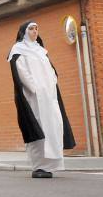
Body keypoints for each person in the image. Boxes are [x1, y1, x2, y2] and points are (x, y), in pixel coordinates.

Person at [8, 21, 75, 179]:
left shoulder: (41, 50)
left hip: (50, 97)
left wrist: (51, 86)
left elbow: (51, 71)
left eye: (37, 28)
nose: (35, 31)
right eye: (31, 28)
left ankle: (51, 165)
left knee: (55, 126)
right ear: (24, 32)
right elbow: (21, 71)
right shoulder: (18, 50)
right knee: (39, 128)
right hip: (34, 97)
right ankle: (39, 166)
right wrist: (35, 89)